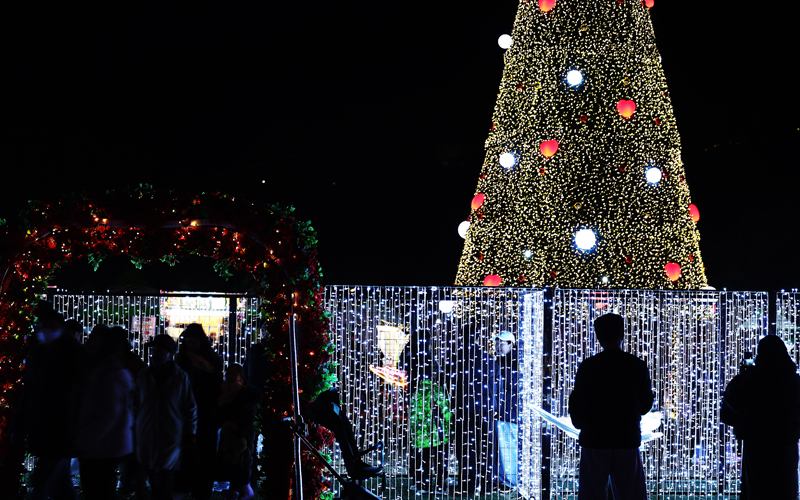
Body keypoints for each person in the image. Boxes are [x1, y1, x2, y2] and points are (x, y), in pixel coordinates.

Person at [568, 313, 653, 500]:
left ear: (598, 337)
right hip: (626, 438)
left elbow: (577, 402)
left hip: (595, 438)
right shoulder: (636, 365)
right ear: (622, 334)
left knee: (591, 493)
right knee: (631, 493)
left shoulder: (588, 367)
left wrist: (583, 423)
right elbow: (646, 404)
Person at [11, 304, 82, 500]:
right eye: (42, 327)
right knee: (60, 484)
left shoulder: (70, 356)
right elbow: (31, 392)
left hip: (59, 432)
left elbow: (73, 396)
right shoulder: (42, 354)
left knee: (44, 482)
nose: (44, 332)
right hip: (49, 431)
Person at [722, 335, 800, 499]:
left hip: (757, 446)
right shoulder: (793, 380)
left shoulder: (754, 380)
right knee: (785, 490)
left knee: (758, 490)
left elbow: (732, 397)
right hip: (786, 446)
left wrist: (743, 375)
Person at [134, 334, 198, 500]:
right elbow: (136, 404)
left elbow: (190, 406)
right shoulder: (144, 375)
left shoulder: (180, 377)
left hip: (169, 434)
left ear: (170, 353)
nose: (156, 354)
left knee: (164, 478)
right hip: (147, 432)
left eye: (160, 351)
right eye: (154, 350)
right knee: (149, 474)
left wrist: (191, 432)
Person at [76, 325, 134, 500]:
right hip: (105, 445)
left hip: (102, 446)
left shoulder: (108, 373)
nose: (89, 341)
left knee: (97, 490)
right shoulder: (107, 369)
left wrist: (85, 440)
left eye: (94, 338)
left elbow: (108, 415)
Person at [174, 324, 223, 500]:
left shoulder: (208, 360)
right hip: (186, 413)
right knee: (187, 455)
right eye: (188, 343)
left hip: (206, 413)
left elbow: (215, 380)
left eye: (194, 343)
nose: (191, 346)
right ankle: (183, 487)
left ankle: (200, 492)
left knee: (206, 457)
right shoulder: (182, 359)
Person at [399, 331, 451, 494]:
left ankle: (420, 481)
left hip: (417, 409)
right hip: (432, 413)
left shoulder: (408, 356)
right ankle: (438, 482)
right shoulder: (429, 363)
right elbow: (445, 407)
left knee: (420, 449)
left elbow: (403, 371)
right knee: (437, 450)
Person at [451, 329, 494, 496]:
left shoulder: (457, 358)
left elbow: (450, 381)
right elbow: (495, 383)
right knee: (486, 447)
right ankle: (486, 485)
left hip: (464, 408)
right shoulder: (488, 358)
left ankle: (467, 486)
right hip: (485, 409)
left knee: (466, 448)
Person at [215, 363, 260, 500]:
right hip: (227, 437)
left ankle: (243, 491)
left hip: (242, 437)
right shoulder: (224, 392)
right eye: (228, 373)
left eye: (234, 374)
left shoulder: (248, 394)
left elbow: (248, 416)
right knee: (228, 465)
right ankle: (233, 491)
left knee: (240, 465)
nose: (229, 376)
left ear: (242, 378)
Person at [491, 331, 519, 492]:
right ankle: (505, 480)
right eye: (497, 343)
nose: (498, 346)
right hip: (503, 411)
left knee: (508, 449)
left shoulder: (512, 364)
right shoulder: (501, 362)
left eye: (501, 343)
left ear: (510, 344)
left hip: (508, 412)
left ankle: (509, 481)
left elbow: (512, 388)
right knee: (503, 449)